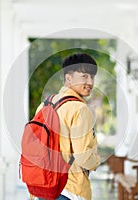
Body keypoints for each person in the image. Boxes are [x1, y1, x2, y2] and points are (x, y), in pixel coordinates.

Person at [38, 53, 101, 200]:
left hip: (42, 185)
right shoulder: (80, 109)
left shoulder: (45, 104)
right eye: (84, 76)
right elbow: (83, 157)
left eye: (92, 77)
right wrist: (96, 161)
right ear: (68, 78)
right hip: (69, 189)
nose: (90, 82)